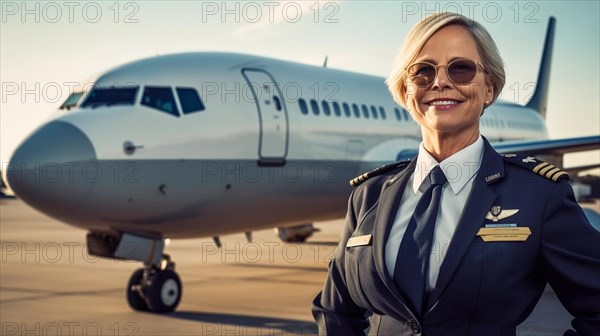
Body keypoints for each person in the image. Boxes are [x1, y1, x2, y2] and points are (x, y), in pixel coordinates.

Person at [312, 12, 600, 336]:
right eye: (423, 71)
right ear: (407, 92)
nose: (440, 82)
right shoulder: (368, 196)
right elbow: (334, 310)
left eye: (460, 69)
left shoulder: (537, 195)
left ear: (489, 88)